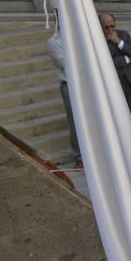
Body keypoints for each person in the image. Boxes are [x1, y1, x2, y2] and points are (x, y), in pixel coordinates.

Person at [99, 13, 131, 151]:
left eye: (112, 26)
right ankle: (125, 146)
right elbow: (105, 61)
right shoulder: (98, 39)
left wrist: (118, 42)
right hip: (113, 82)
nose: (110, 30)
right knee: (119, 115)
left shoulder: (123, 35)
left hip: (130, 79)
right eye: (106, 27)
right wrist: (126, 60)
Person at [45, 17, 80, 164]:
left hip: (86, 84)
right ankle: (79, 155)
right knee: (76, 121)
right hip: (70, 85)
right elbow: (66, 64)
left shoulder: (80, 36)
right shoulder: (54, 42)